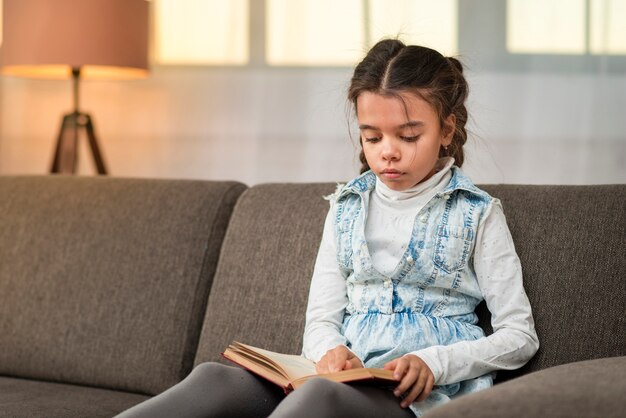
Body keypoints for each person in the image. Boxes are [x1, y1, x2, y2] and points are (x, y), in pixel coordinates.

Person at [115, 39, 539, 418]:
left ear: (446, 129)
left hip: (414, 395)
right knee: (214, 379)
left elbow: (519, 336)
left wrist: (435, 363)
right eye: (372, 138)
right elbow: (321, 319)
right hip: (337, 379)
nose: (388, 152)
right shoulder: (346, 207)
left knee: (319, 399)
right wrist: (329, 352)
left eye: (408, 136)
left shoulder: (477, 213)